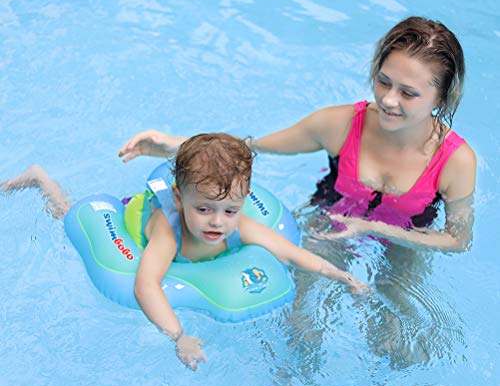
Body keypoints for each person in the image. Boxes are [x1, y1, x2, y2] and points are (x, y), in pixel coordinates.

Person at [1, 133, 367, 371]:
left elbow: (290, 253)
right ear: (179, 198)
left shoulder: (237, 224)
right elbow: (146, 285)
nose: (217, 222)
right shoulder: (169, 231)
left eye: (229, 210)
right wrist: (179, 336)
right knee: (65, 213)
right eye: (203, 209)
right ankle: (41, 179)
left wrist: (340, 275)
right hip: (132, 220)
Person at [119, 17, 476, 252]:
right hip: (329, 219)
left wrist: (373, 228)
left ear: (441, 99)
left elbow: (457, 239)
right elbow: (255, 147)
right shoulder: (339, 124)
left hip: (405, 243)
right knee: (304, 318)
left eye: (408, 93)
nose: (388, 100)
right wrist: (177, 145)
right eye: (383, 82)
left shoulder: (455, 161)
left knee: (396, 333)